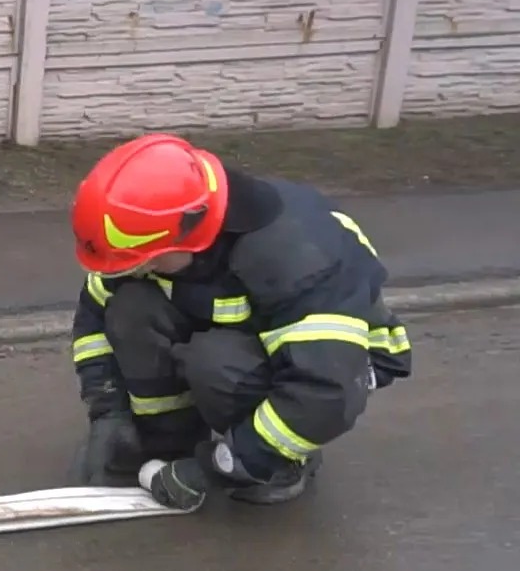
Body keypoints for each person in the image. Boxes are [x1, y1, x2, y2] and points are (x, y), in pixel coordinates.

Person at [66, 133, 411, 512]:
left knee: (215, 361)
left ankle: (276, 465)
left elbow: (326, 392)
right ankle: (169, 441)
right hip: (262, 337)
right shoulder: (153, 236)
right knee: (131, 305)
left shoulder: (295, 260)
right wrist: (109, 411)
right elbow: (95, 318)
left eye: (144, 260)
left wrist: (213, 468)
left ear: (189, 238)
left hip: (337, 364)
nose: (136, 269)